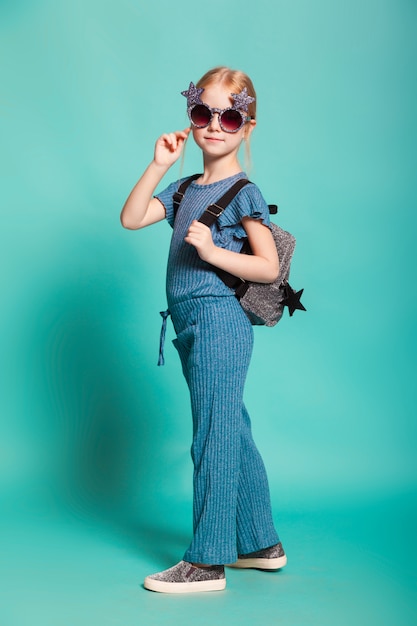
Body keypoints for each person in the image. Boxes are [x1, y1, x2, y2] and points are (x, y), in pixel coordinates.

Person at [121, 66, 287, 594]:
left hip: (219, 322)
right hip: (191, 325)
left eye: (230, 116)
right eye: (202, 113)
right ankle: (261, 544)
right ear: (191, 119)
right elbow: (131, 217)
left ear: (248, 126)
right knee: (230, 428)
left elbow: (268, 267)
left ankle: (208, 560)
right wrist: (157, 164)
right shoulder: (185, 186)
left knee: (212, 436)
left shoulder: (244, 192)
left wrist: (214, 251)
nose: (215, 126)